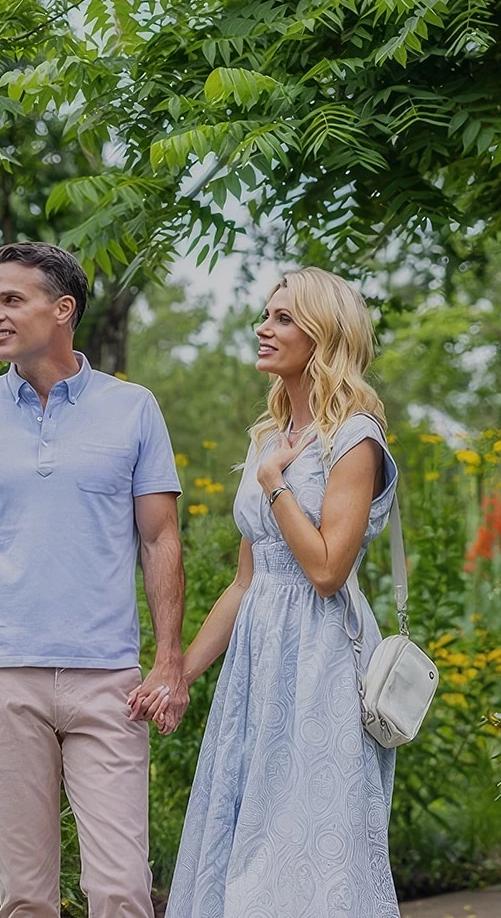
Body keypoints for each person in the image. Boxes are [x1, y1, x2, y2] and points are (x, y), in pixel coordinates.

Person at [0, 241, 189, 918]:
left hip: (110, 683)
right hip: (3, 677)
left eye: (13, 300)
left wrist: (170, 660)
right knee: (27, 898)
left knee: (122, 891)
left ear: (63, 309)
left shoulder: (133, 409)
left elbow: (160, 539)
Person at [140, 266, 400, 917]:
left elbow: (326, 571)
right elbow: (244, 583)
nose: (264, 327)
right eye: (266, 314)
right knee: (247, 832)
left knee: (309, 836)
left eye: (283, 318)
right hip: (260, 659)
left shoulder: (355, 438)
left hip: (321, 660)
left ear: (323, 334)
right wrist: (178, 674)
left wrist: (275, 485)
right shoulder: (268, 437)